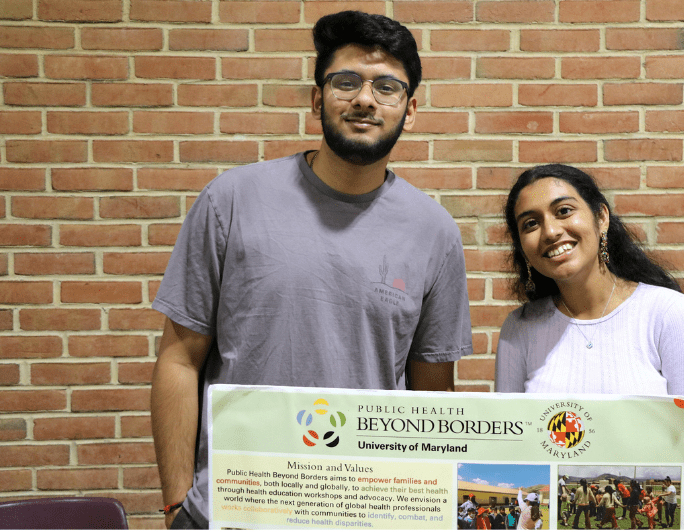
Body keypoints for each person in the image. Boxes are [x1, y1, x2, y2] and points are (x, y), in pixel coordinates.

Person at [150, 11, 472, 529]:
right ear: (317, 99)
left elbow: (431, 398)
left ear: (409, 111)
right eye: (346, 81)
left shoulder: (434, 231)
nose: (365, 98)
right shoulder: (231, 200)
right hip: (236, 509)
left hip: (368, 512)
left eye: (387, 87)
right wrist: (176, 505)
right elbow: (180, 360)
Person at [494, 164, 684, 528]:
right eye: (530, 224)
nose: (550, 231)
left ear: (601, 218)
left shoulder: (668, 313)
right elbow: (512, 453)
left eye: (564, 211)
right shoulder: (518, 331)